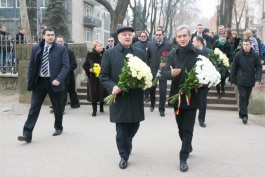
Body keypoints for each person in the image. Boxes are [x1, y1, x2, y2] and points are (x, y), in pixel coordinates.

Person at [99, 26, 146, 169]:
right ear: (118, 37)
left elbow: (145, 71)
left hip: (135, 96)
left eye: (129, 35)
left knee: (135, 124)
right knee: (121, 129)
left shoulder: (140, 53)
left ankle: (127, 143)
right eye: (124, 35)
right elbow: (103, 76)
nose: (127, 37)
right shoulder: (109, 53)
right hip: (118, 97)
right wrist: (112, 86)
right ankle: (124, 155)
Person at [17, 27, 69, 143]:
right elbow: (31, 66)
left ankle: (58, 127)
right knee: (33, 109)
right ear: (43, 36)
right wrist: (31, 82)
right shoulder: (36, 48)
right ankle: (27, 134)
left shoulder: (61, 49)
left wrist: (59, 79)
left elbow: (65, 66)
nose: (51, 37)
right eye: (48, 35)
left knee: (58, 107)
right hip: (39, 83)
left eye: (52, 34)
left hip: (54, 83)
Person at [164, 25, 204, 172]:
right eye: (179, 36)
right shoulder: (172, 54)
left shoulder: (199, 54)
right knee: (180, 128)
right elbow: (164, 73)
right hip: (177, 97)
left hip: (192, 97)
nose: (182, 38)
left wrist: (203, 83)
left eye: (184, 36)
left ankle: (183, 158)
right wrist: (171, 74)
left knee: (188, 129)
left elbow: (208, 75)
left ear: (190, 37)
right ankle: (188, 145)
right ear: (176, 38)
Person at [230, 39, 262, 124]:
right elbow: (234, 68)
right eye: (244, 45)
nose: (245, 46)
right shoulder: (238, 55)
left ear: (250, 45)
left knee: (246, 98)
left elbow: (259, 67)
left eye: (247, 44)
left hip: (250, 80)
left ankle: (241, 112)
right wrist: (232, 80)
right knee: (242, 96)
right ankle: (244, 116)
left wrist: (258, 79)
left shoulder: (255, 55)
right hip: (240, 80)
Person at [147, 29, 172, 117]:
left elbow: (171, 57)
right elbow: (147, 58)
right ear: (155, 35)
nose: (158, 36)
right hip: (153, 71)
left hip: (163, 72)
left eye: (160, 34)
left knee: (163, 91)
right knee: (152, 89)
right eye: (156, 35)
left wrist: (167, 64)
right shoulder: (150, 45)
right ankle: (152, 103)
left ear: (163, 35)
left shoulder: (168, 46)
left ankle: (161, 109)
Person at [192, 36, 213, 128]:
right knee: (193, 101)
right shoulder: (191, 52)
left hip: (205, 81)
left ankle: (201, 119)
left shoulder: (209, 52)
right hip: (193, 81)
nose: (192, 42)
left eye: (194, 41)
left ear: (199, 42)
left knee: (202, 101)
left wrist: (204, 81)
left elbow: (212, 67)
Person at [83, 40, 106, 117]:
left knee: (103, 93)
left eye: (101, 45)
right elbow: (85, 65)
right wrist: (89, 70)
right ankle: (94, 111)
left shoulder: (106, 54)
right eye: (99, 46)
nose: (101, 47)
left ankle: (102, 107)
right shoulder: (90, 55)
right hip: (93, 78)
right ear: (95, 47)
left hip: (103, 77)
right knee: (94, 94)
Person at [56, 36, 80, 110]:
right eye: (58, 41)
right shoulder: (53, 51)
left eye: (61, 41)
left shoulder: (69, 52)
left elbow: (74, 64)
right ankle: (58, 106)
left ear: (63, 42)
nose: (59, 43)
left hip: (69, 75)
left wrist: (66, 69)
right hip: (57, 75)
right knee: (59, 92)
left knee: (71, 90)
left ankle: (75, 103)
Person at [212, 34, 232, 98]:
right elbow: (212, 53)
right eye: (222, 38)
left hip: (225, 63)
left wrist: (228, 60)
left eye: (224, 38)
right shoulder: (215, 44)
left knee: (223, 76)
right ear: (219, 38)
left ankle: (222, 86)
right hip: (217, 64)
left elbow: (231, 54)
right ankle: (218, 93)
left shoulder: (228, 45)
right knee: (217, 78)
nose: (223, 39)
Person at [133, 31, 151, 103]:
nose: (143, 38)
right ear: (139, 37)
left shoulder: (150, 44)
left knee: (146, 81)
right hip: (138, 66)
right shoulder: (135, 44)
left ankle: (147, 96)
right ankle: (139, 95)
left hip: (147, 65)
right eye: (142, 36)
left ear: (147, 37)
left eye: (144, 36)